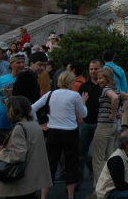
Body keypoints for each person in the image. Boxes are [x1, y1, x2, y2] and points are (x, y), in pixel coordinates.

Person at [32, 70, 88, 199]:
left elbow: (32, 107)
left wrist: (37, 124)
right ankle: (70, 195)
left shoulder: (50, 94)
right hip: (70, 131)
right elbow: (84, 114)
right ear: (71, 81)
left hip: (53, 131)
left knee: (50, 164)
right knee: (71, 164)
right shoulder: (75, 96)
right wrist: (84, 102)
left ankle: (44, 195)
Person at [0, 95, 52, 199]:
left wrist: (1, 153)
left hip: (20, 183)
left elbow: (18, 155)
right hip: (32, 180)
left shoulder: (20, 128)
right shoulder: (33, 125)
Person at [91, 67, 128, 186]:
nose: (98, 81)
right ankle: (110, 184)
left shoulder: (107, 89)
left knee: (98, 159)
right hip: (113, 127)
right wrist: (121, 111)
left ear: (107, 78)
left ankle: (100, 188)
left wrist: (113, 113)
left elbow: (114, 98)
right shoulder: (116, 89)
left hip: (104, 125)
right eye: (98, 78)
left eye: (101, 78)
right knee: (109, 157)